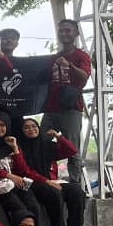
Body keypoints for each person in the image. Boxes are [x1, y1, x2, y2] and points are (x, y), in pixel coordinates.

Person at [20, 117, 87, 226]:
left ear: (39, 128)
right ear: (22, 131)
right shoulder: (20, 147)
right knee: (54, 194)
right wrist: (46, 181)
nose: (31, 129)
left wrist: (58, 136)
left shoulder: (46, 145)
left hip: (50, 180)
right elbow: (25, 171)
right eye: (26, 127)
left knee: (77, 191)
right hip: (32, 183)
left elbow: (71, 150)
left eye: (34, 126)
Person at [42, 19, 92, 187]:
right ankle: (45, 178)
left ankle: (75, 185)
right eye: (61, 30)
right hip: (51, 107)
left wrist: (69, 65)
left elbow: (84, 76)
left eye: (68, 30)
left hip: (71, 108)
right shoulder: (53, 58)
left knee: (72, 147)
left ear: (76, 33)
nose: (64, 33)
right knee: (42, 141)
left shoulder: (81, 56)